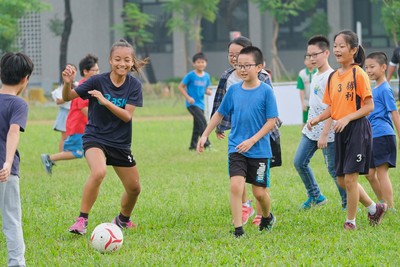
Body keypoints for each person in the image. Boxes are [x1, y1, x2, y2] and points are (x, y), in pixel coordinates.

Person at [62, 39, 146, 235]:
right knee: (99, 172)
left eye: (126, 60)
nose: (122, 63)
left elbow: (127, 116)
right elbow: (68, 97)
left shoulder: (134, 85)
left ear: (132, 62)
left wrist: (104, 101)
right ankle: (81, 220)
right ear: (110, 60)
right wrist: (67, 85)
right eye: (117, 59)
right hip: (95, 137)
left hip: (120, 142)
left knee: (134, 189)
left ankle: (123, 220)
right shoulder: (97, 80)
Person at [308, 30, 387, 230]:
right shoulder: (333, 76)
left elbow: (369, 106)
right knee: (341, 180)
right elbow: (332, 107)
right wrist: (317, 119)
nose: (337, 49)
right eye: (335, 45)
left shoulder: (358, 73)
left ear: (353, 50)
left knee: (351, 179)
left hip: (357, 129)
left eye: (342, 46)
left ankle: (350, 222)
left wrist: (347, 117)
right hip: (340, 130)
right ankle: (373, 209)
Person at [198, 46, 279, 237]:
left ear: (259, 67)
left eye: (247, 66)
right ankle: (238, 229)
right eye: (239, 66)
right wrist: (204, 134)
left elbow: (271, 121)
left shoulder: (266, 91)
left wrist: (252, 140)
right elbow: (219, 113)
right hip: (236, 148)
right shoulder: (233, 90)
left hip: (259, 150)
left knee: (259, 193)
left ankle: (267, 216)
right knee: (236, 186)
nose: (242, 70)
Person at [294, 35, 347, 210]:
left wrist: (324, 134)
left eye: (315, 55)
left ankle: (347, 202)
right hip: (311, 128)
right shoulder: (315, 74)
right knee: (299, 162)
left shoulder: (332, 77)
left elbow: (334, 108)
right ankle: (316, 196)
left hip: (329, 131)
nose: (311, 59)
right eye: (309, 55)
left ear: (326, 53)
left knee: (333, 170)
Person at [0, 52, 34, 267]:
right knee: (11, 220)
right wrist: (7, 162)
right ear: (25, 79)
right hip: (5, 172)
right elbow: (14, 132)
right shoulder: (19, 104)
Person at [41, 54, 99, 175]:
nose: (98, 72)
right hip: (78, 126)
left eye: (98, 70)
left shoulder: (90, 85)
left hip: (84, 126)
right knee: (77, 152)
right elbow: (83, 107)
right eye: (95, 70)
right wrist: (98, 120)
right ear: (86, 71)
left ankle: (96, 169)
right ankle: (49, 158)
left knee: (89, 148)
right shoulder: (83, 87)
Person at [365, 51, 400, 210]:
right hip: (373, 136)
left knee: (381, 173)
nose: (369, 70)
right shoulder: (375, 88)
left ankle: (390, 207)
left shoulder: (385, 89)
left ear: (384, 67)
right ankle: (382, 204)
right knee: (369, 174)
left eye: (372, 66)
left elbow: (395, 113)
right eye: (367, 67)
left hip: (383, 135)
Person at [178, 52, 212, 150]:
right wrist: (188, 98)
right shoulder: (190, 75)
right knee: (203, 122)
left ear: (206, 63)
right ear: (194, 63)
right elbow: (180, 87)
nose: (201, 64)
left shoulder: (207, 76)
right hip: (192, 104)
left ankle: (192, 146)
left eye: (203, 62)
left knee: (197, 125)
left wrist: (208, 92)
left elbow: (205, 88)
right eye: (198, 62)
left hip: (201, 104)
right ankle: (207, 144)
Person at [51, 64, 77, 152]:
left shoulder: (78, 85)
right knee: (64, 136)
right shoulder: (60, 89)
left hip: (75, 112)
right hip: (65, 113)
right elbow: (58, 101)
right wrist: (68, 95)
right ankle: (62, 153)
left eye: (73, 71)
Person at [297, 57, 317, 127]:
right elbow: (301, 89)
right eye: (307, 59)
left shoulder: (318, 72)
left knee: (317, 120)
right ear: (304, 62)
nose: (309, 61)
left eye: (311, 59)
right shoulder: (302, 74)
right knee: (305, 121)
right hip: (306, 101)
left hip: (316, 102)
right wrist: (302, 103)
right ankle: (304, 136)